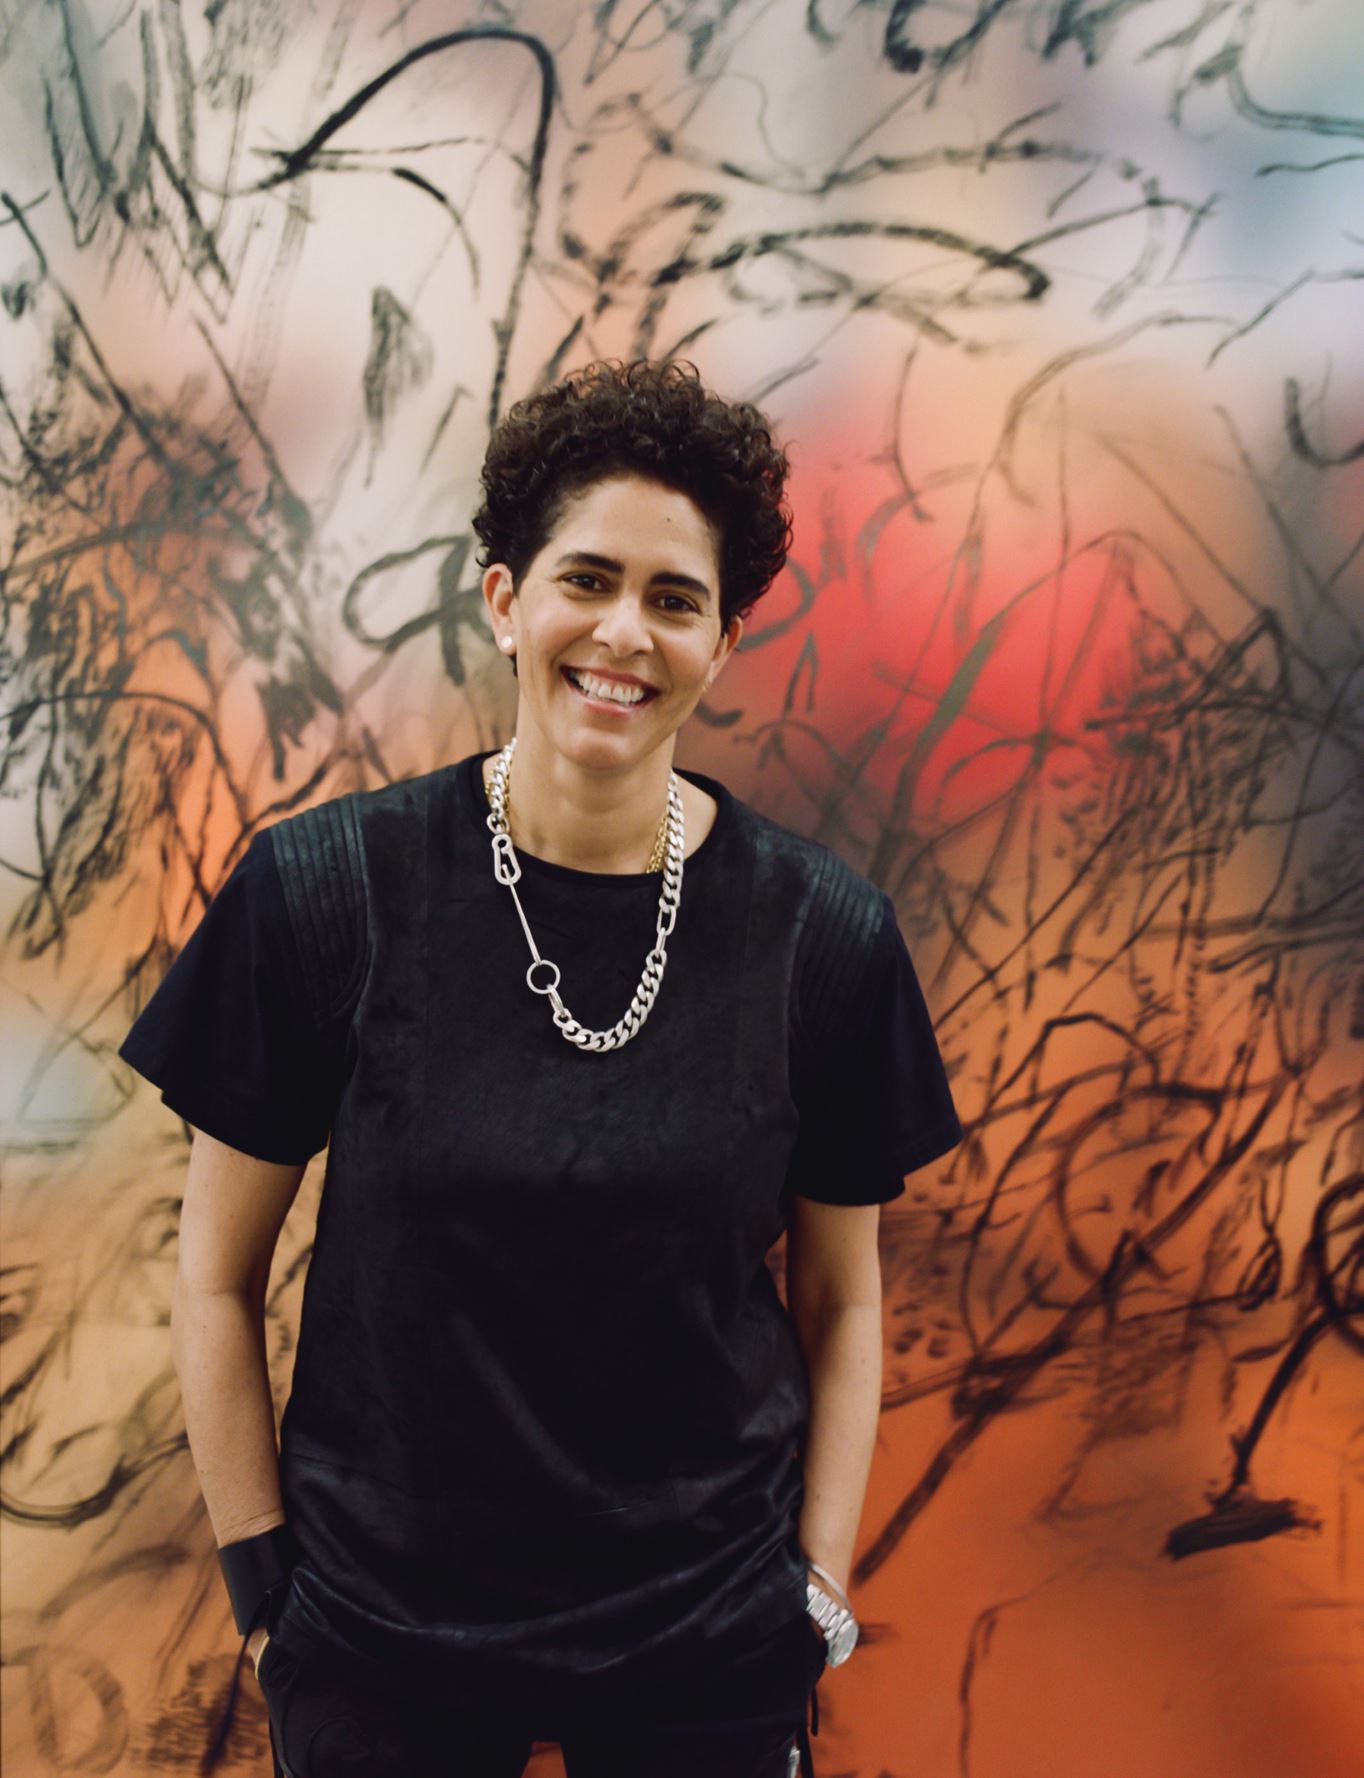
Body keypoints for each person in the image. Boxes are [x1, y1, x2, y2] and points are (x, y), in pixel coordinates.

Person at [118, 358, 962, 1778]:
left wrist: (813, 1585)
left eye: (674, 599)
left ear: (722, 640)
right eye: (588, 579)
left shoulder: (822, 937)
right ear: (505, 600)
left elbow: (843, 1299)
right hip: (385, 1645)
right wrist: (268, 1592)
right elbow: (214, 1274)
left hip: (707, 1645)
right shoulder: (328, 893)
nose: (624, 631)